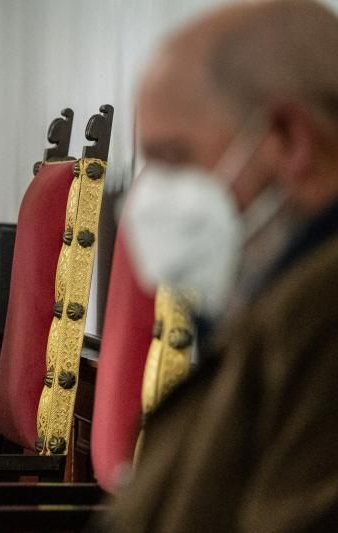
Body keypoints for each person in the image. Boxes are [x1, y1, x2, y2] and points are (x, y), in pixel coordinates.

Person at [103, 1, 338, 531]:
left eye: (172, 158)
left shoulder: (317, 322)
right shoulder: (266, 309)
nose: (147, 199)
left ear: (290, 138)